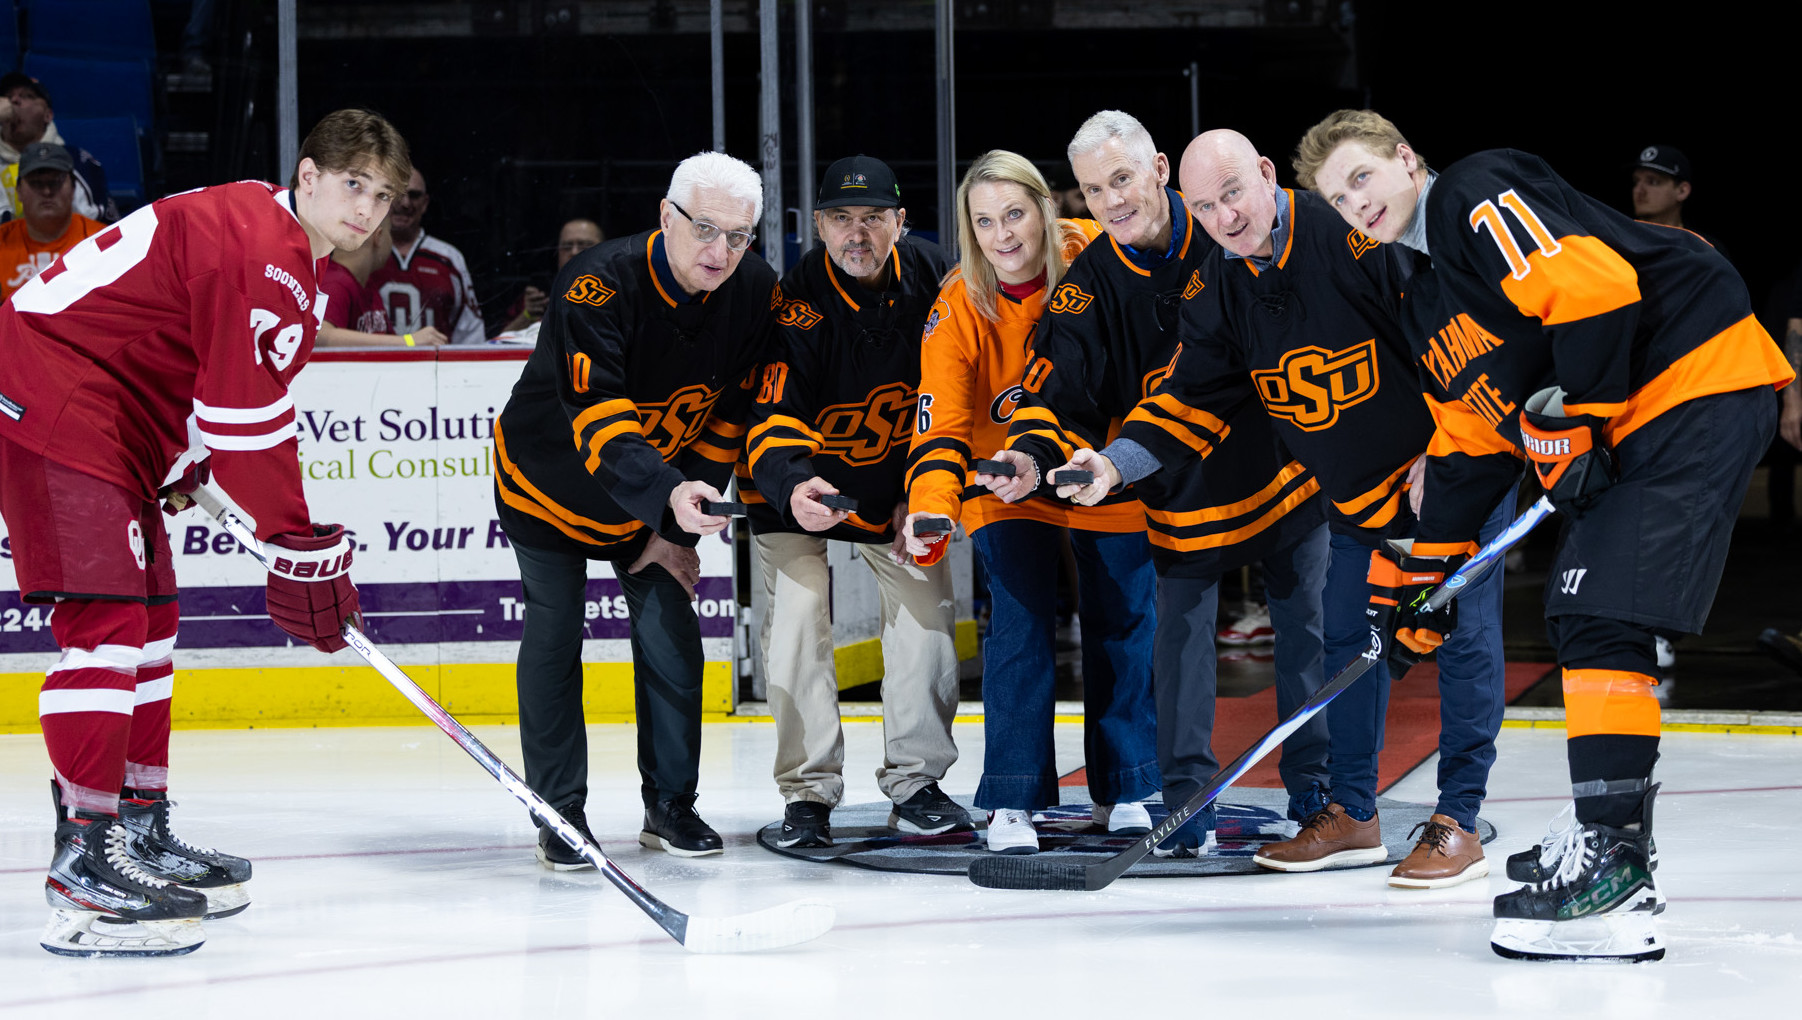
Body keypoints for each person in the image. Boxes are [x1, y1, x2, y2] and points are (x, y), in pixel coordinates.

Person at [1297, 109, 1792, 961]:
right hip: (1641, 421)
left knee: (1600, 612)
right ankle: (1617, 847)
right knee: (1584, 616)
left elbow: (1595, 289)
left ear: (1407, 159)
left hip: (1695, 380)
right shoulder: (1421, 291)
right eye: (1339, 198)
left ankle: (1614, 871)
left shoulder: (1471, 193)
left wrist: (1576, 420)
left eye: (1363, 178)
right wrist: (1433, 577)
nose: (1356, 204)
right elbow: (1469, 441)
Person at [0, 108, 405, 956]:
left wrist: (182, 464)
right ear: (308, 174)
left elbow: (184, 356)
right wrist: (299, 540)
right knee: (106, 625)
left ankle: (137, 830)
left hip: (113, 412)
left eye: (383, 194)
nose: (367, 208)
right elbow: (248, 423)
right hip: (58, 395)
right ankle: (85, 857)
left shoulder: (269, 238)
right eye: (352, 184)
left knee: (149, 619)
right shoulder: (269, 253)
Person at [1075, 127, 1512, 885]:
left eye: (1234, 193)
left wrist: (1446, 450)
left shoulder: (1350, 233)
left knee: (1463, 640)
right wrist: (1113, 467)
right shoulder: (1221, 283)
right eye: (1205, 207)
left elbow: (1455, 333)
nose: (1225, 218)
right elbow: (1188, 399)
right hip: (1355, 504)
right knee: (1347, 645)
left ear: (1268, 174)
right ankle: (1353, 813)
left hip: (1450, 479)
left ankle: (1458, 821)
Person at [1003, 113, 1329, 858]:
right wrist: (1029, 450)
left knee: (1305, 637)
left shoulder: (1228, 229)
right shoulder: (1090, 284)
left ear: (1157, 168)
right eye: (1091, 190)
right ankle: (1186, 803)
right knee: (1178, 651)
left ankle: (1316, 792)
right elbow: (1053, 384)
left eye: (1121, 179)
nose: (1110, 201)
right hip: (1177, 487)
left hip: (1283, 472)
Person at [493, 151, 776, 865]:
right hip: (546, 486)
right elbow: (600, 419)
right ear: (665, 217)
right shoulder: (594, 287)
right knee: (556, 634)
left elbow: (731, 416)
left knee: (672, 637)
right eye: (706, 229)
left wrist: (677, 521)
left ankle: (671, 808)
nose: (721, 252)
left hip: (653, 500)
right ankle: (560, 815)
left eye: (740, 236)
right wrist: (667, 504)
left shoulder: (755, 293)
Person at [901, 150, 1158, 855]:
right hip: (1008, 481)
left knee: (1123, 622)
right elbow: (943, 423)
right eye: (984, 222)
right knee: (1017, 630)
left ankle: (1128, 784)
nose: (1003, 235)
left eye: (1015, 214)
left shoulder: (1098, 255)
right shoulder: (957, 303)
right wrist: (932, 504)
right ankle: (1012, 797)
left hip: (1097, 466)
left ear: (1046, 209)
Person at [742, 155, 964, 848]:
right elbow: (773, 414)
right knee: (798, 624)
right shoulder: (797, 297)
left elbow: (953, 397)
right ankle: (807, 794)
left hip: (897, 486)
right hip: (798, 486)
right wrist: (792, 485)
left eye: (873, 217)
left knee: (927, 616)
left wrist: (922, 493)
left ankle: (917, 783)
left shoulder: (937, 282)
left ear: (901, 221)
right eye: (841, 218)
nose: (857, 234)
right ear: (817, 224)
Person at [370, 167, 486, 345]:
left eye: (414, 195)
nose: (406, 203)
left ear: (425, 203)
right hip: (370, 368)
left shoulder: (448, 258)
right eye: (398, 193)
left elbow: (470, 335)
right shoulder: (362, 253)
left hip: (437, 368)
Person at [0, 73, 114, 223]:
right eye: (8, 97)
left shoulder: (74, 160)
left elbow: (95, 223)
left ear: (48, 115)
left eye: (27, 96)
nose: (14, 101)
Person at [0, 142, 105, 303]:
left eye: (55, 182)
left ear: (73, 189)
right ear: (19, 191)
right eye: (36, 183)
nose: (47, 192)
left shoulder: (102, 242)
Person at [317, 219, 447, 348]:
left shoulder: (366, 284)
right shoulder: (334, 283)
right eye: (389, 233)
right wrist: (408, 341)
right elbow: (319, 336)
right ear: (378, 237)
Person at [499, 218, 604, 335]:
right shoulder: (540, 295)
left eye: (584, 246)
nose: (574, 252)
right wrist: (528, 315)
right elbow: (497, 345)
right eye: (567, 247)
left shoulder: (621, 291)